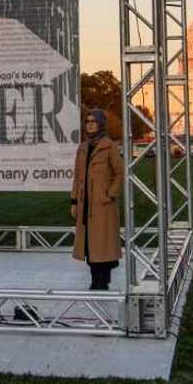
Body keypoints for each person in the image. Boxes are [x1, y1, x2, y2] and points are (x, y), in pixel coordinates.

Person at [70, 108, 122, 290]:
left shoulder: (109, 146)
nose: (90, 124)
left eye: (93, 121)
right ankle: (97, 280)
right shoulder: (83, 148)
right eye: (87, 121)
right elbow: (77, 177)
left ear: (100, 124)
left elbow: (119, 173)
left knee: (103, 246)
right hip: (86, 205)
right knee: (89, 246)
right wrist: (74, 201)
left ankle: (101, 282)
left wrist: (110, 195)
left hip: (103, 206)